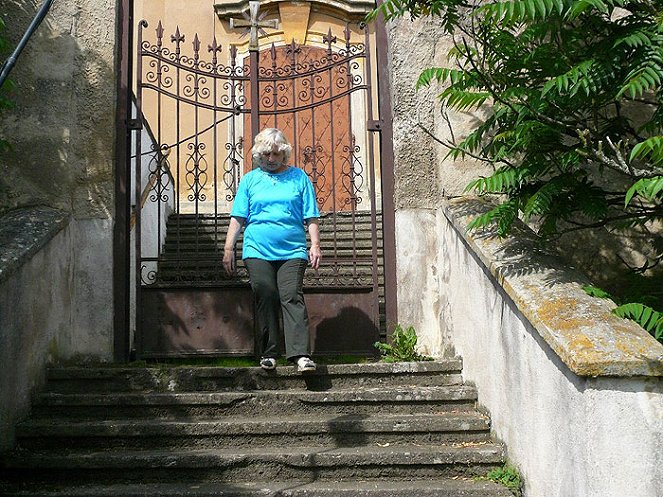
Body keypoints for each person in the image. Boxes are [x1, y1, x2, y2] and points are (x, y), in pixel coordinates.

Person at [223, 128, 322, 372]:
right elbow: (238, 218)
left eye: (276, 153)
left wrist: (315, 245)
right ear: (259, 153)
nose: (271, 158)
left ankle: (299, 355)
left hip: (292, 250)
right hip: (257, 248)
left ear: (284, 153)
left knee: (291, 295)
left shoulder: (299, 178)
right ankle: (269, 353)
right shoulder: (250, 180)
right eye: (266, 153)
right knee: (265, 293)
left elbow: (311, 216)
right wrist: (228, 248)